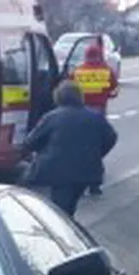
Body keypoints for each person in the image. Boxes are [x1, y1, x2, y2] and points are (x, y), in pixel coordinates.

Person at [21, 80, 118, 217]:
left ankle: (62, 231)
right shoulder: (95, 116)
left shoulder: (52, 117)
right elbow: (111, 138)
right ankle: (68, 226)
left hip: (58, 171)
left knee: (59, 208)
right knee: (70, 205)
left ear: (58, 97)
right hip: (87, 170)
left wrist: (42, 151)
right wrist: (96, 154)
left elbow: (30, 142)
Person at [70, 42, 119, 197]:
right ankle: (94, 185)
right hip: (98, 113)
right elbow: (114, 91)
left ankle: (77, 180)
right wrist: (105, 95)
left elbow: (69, 89)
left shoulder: (78, 72)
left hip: (79, 113)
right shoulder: (106, 71)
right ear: (99, 55)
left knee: (78, 147)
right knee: (95, 148)